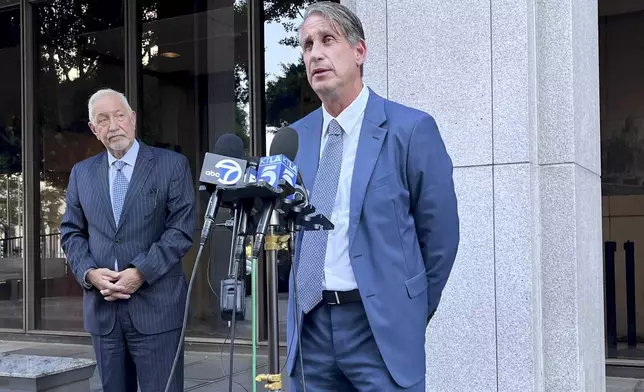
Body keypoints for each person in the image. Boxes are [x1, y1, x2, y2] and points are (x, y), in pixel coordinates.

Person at [286, 2, 460, 391]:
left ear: (359, 51)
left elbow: (441, 237)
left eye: (327, 39)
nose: (315, 53)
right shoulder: (295, 139)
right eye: (307, 44)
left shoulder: (410, 129)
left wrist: (409, 310)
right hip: (311, 327)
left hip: (378, 329)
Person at [60, 88, 195, 392]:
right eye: (103, 120)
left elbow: (181, 230)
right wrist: (89, 273)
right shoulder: (82, 174)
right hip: (104, 313)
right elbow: (71, 231)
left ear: (133, 120)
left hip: (157, 309)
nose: (113, 125)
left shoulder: (171, 165)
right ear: (95, 130)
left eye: (119, 116)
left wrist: (140, 272)